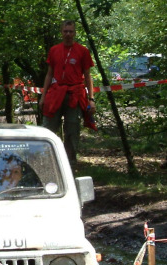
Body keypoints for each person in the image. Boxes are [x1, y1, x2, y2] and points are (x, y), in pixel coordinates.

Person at [40, 19, 95, 169]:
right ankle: (46, 159)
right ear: (61, 32)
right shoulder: (54, 50)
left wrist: (91, 99)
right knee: (49, 126)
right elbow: (49, 74)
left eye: (71, 31)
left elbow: (88, 76)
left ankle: (70, 162)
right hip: (56, 93)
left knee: (72, 127)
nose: (68, 34)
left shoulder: (82, 51)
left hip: (74, 94)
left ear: (75, 33)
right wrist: (43, 96)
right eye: (65, 31)